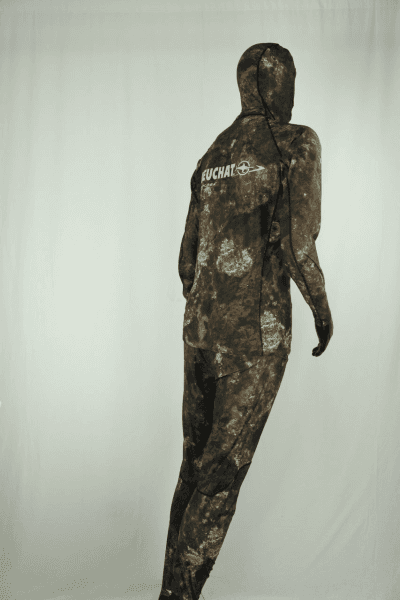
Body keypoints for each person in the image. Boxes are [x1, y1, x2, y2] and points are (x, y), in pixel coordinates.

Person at [158, 42, 333, 600]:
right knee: (219, 478)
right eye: (290, 80)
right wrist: (321, 309)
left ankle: (168, 592)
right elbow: (299, 245)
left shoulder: (212, 155)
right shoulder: (295, 143)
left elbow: (186, 262)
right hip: (255, 337)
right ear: (280, 85)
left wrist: (208, 305)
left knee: (193, 470)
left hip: (198, 332)